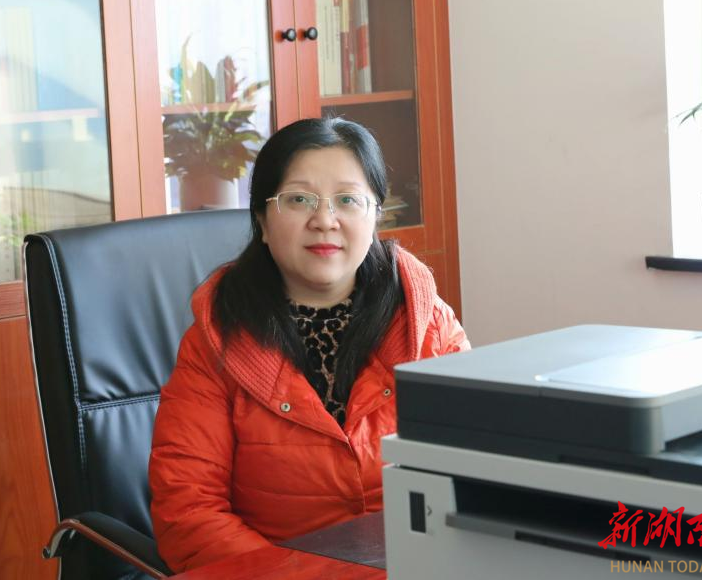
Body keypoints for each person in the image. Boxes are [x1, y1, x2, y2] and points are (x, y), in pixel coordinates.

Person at [148, 117, 470, 572]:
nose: (324, 220)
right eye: (298, 199)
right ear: (262, 220)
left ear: (375, 216)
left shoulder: (426, 322)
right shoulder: (216, 338)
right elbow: (189, 513)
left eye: (347, 200)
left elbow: (480, 472)